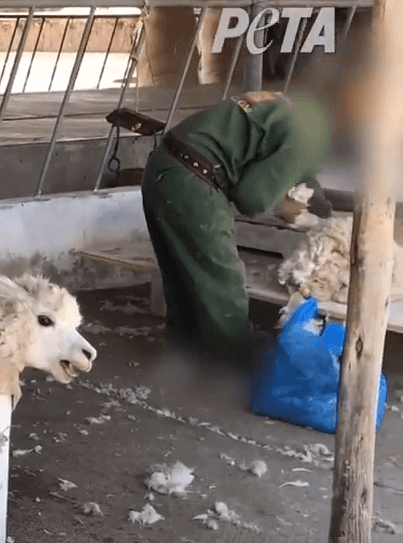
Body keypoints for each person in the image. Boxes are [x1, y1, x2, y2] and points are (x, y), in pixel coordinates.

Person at [141, 90, 332, 367]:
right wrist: (284, 205)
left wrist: (320, 206)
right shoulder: (308, 140)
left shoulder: (293, 112)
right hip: (193, 180)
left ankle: (185, 358)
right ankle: (235, 367)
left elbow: (295, 166)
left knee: (183, 278)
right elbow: (252, 199)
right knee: (221, 281)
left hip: (163, 167)